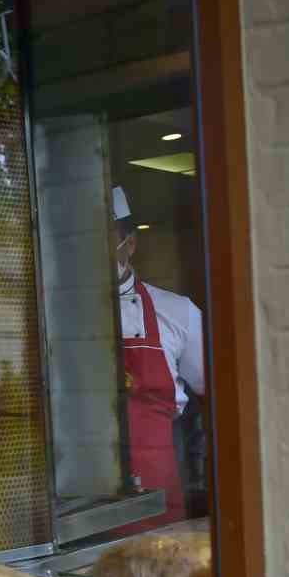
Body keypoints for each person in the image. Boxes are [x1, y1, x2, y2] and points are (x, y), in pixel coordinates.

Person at [112, 185, 205, 529]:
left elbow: (220, 399)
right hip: (82, 506)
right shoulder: (56, 316)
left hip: (158, 497)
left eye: (106, 238)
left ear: (130, 244)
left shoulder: (178, 312)